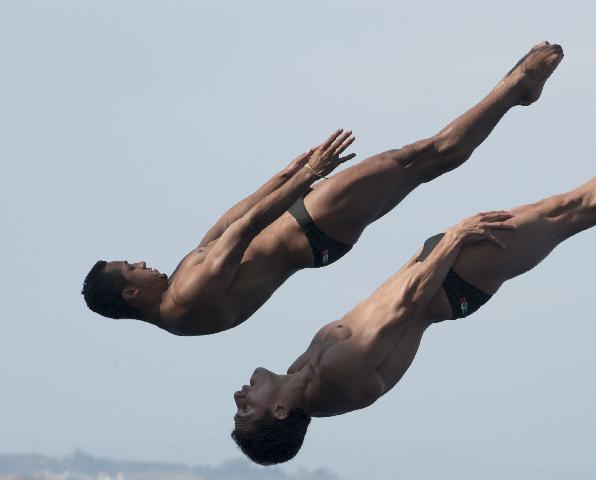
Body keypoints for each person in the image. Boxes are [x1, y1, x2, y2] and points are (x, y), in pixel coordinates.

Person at [230, 98, 596, 465]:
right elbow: (406, 304)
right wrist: (455, 239)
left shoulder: (304, 376)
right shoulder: (332, 377)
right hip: (449, 279)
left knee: (568, 210)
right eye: (244, 412)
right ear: (279, 410)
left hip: (442, 276)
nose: (237, 398)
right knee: (572, 211)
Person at [81, 43, 565, 335]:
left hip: (311, 233)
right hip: (309, 226)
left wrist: (283, 176)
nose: (142, 262)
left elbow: (226, 224)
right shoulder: (186, 294)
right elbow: (246, 227)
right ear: (129, 293)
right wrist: (308, 176)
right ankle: (515, 88)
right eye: (132, 268)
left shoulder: (179, 305)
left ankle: (513, 93)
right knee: (418, 157)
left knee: (424, 164)